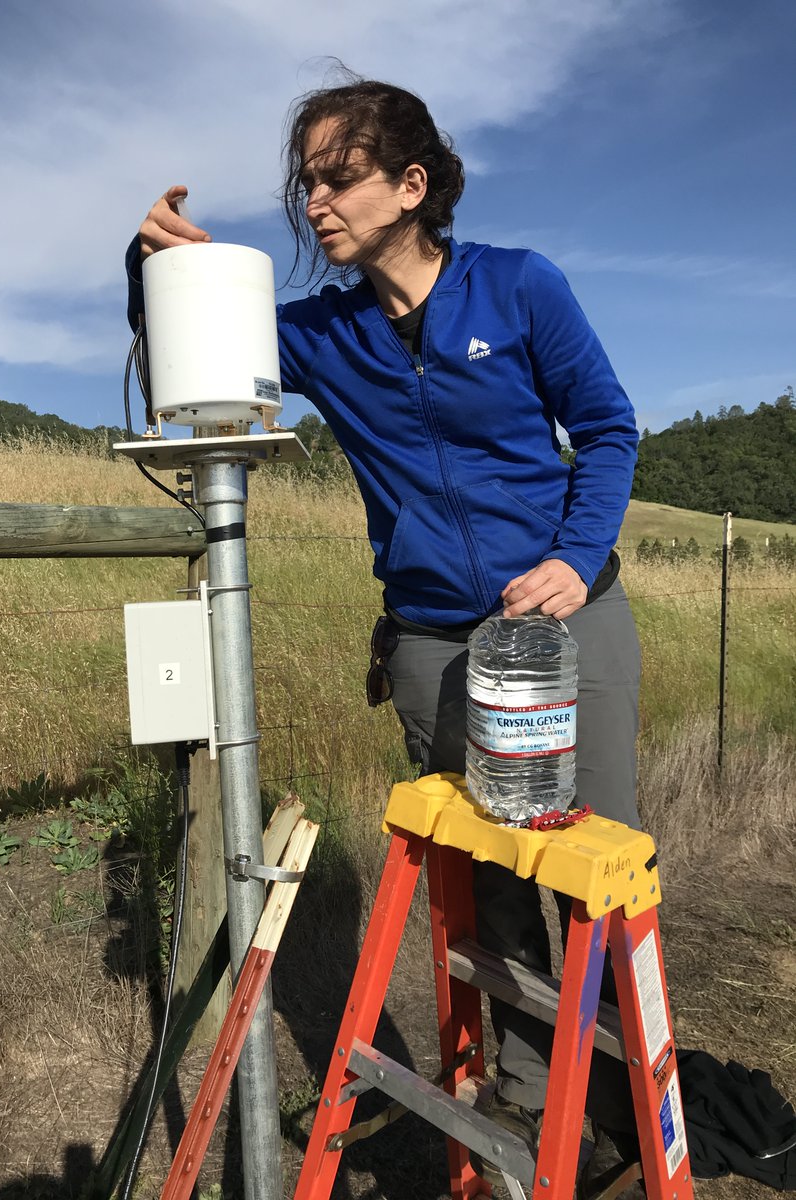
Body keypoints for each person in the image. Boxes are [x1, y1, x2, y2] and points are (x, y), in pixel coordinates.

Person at [127, 73, 644, 1199]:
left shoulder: (519, 289)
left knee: (590, 871)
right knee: (489, 878)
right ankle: (523, 1084)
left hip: (570, 619)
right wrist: (161, 268)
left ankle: (615, 1111)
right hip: (431, 644)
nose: (315, 201)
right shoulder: (318, 335)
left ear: (411, 186)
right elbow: (195, 351)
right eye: (305, 180)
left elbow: (605, 428)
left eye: (340, 175)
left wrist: (569, 556)